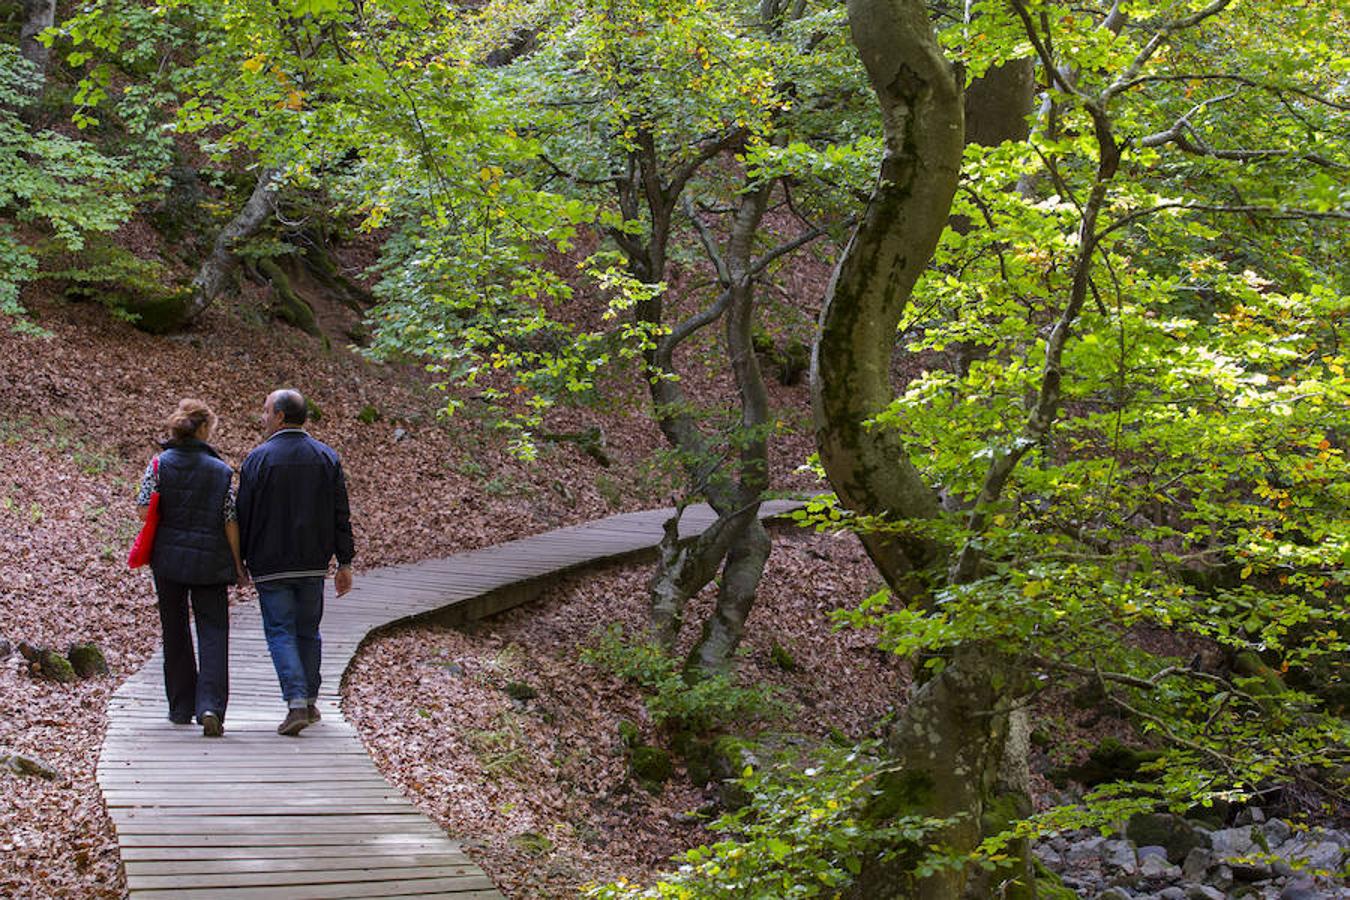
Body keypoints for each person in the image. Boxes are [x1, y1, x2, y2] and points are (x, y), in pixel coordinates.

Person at [237, 388, 354, 736]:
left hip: (271, 564)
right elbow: (340, 513)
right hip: (312, 563)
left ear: (280, 416)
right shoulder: (326, 457)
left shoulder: (258, 459)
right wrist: (344, 561)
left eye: (265, 411)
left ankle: (296, 702)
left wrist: (239, 560)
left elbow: (244, 513)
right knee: (308, 632)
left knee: (280, 632)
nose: (262, 417)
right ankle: (310, 700)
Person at [136, 399, 245, 738]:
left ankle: (181, 706)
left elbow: (142, 509)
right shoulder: (221, 471)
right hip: (210, 561)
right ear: (202, 430)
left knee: (175, 629)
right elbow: (230, 519)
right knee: (213, 631)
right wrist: (237, 563)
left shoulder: (158, 465)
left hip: (167, 559)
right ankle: (210, 705)